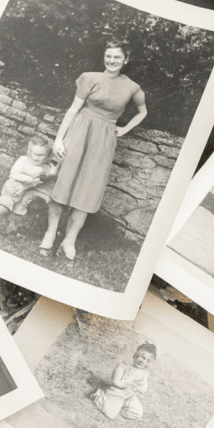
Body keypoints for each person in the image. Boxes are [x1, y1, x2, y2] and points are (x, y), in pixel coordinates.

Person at [43, 38, 147, 262]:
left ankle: (69, 240)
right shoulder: (89, 78)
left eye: (117, 57)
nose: (112, 60)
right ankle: (50, 232)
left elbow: (143, 111)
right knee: (64, 182)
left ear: (126, 60)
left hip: (104, 140)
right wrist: (58, 140)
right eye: (108, 56)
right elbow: (73, 110)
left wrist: (125, 129)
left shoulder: (132, 87)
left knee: (89, 189)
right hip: (79, 132)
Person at [0, 134, 59, 233]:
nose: (36, 157)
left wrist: (53, 172)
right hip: (14, 184)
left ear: (47, 155)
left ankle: (12, 226)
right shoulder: (23, 160)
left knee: (20, 205)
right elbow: (13, 174)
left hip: (25, 189)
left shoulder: (44, 168)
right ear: (30, 151)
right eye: (34, 153)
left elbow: (42, 180)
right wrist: (29, 180)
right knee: (7, 200)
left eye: (41, 155)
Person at [90, 342, 156, 420]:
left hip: (129, 395)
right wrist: (125, 384)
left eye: (145, 359)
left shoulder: (144, 373)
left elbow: (143, 386)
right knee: (109, 412)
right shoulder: (123, 366)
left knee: (137, 413)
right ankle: (99, 396)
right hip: (118, 392)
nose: (140, 360)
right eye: (138, 356)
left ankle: (119, 408)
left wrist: (138, 389)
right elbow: (115, 381)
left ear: (149, 362)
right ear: (134, 356)